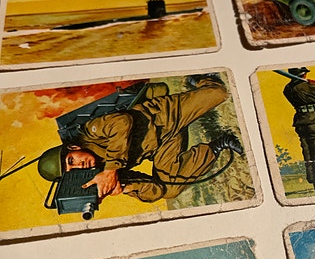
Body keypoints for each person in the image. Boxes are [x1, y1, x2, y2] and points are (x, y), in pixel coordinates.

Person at [37, 74, 243, 203]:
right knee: (170, 190)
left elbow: (122, 122)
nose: (79, 165)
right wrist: (125, 187)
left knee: (219, 92)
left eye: (71, 160)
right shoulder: (100, 174)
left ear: (73, 148)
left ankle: (200, 80)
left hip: (164, 116)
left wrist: (111, 169)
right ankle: (219, 145)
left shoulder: (90, 132)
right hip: (165, 146)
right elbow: (156, 189)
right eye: (72, 170)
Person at [282, 67, 315, 196]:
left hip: (301, 123)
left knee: (308, 155)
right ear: (304, 74)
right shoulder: (308, 86)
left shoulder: (287, 89)